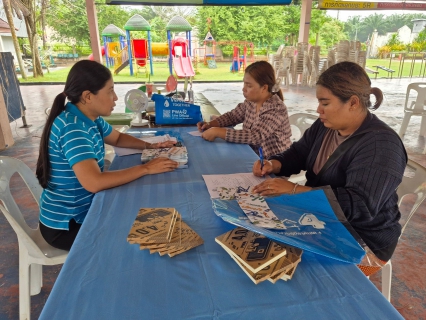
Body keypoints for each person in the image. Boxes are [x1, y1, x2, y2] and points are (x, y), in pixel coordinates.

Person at [252, 61, 407, 263]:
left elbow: (360, 207)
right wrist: (274, 164)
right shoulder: (327, 126)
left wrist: (293, 190)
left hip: (364, 242)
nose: (319, 110)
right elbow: (299, 153)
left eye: (325, 103)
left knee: (292, 265)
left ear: (353, 103)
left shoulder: (381, 145)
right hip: (323, 219)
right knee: (260, 237)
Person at [36, 60, 178, 251]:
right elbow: (94, 182)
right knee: (143, 235)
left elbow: (118, 139)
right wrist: (146, 168)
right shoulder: (73, 128)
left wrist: (151, 145)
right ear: (87, 96)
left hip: (83, 210)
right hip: (67, 225)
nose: (116, 98)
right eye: (110, 91)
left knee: (142, 211)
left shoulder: (89, 118)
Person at [196, 60, 291, 158]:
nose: (243, 89)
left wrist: (218, 132)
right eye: (244, 84)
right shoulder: (251, 102)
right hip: (251, 154)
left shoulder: (276, 109)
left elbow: (256, 136)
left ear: (264, 88)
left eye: (249, 85)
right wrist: (210, 124)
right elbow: (232, 117)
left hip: (274, 163)